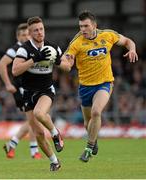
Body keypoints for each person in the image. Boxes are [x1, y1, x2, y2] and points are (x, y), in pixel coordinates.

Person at [59, 10, 138, 162]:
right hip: (85, 87)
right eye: (81, 26)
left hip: (104, 83)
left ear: (94, 25)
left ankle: (88, 148)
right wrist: (62, 62)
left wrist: (132, 49)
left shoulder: (107, 35)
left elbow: (128, 41)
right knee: (87, 123)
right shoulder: (76, 42)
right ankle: (93, 140)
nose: (83, 29)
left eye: (86, 26)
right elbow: (67, 62)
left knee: (96, 112)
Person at [12, 16, 64, 171]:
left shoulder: (53, 47)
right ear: (30, 32)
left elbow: (67, 66)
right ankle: (55, 161)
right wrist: (34, 59)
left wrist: (62, 61)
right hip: (28, 94)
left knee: (40, 113)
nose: (40, 32)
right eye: (36, 30)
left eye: (41, 29)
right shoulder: (24, 49)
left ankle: (56, 134)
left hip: (46, 90)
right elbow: (15, 70)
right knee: (38, 133)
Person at [0, 23, 42, 159]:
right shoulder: (15, 49)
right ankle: (33, 151)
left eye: (27, 34)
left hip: (31, 87)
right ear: (18, 36)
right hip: (22, 89)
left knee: (33, 119)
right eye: (23, 35)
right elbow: (1, 64)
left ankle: (12, 144)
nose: (26, 37)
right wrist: (7, 84)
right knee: (34, 119)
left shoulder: (30, 47)